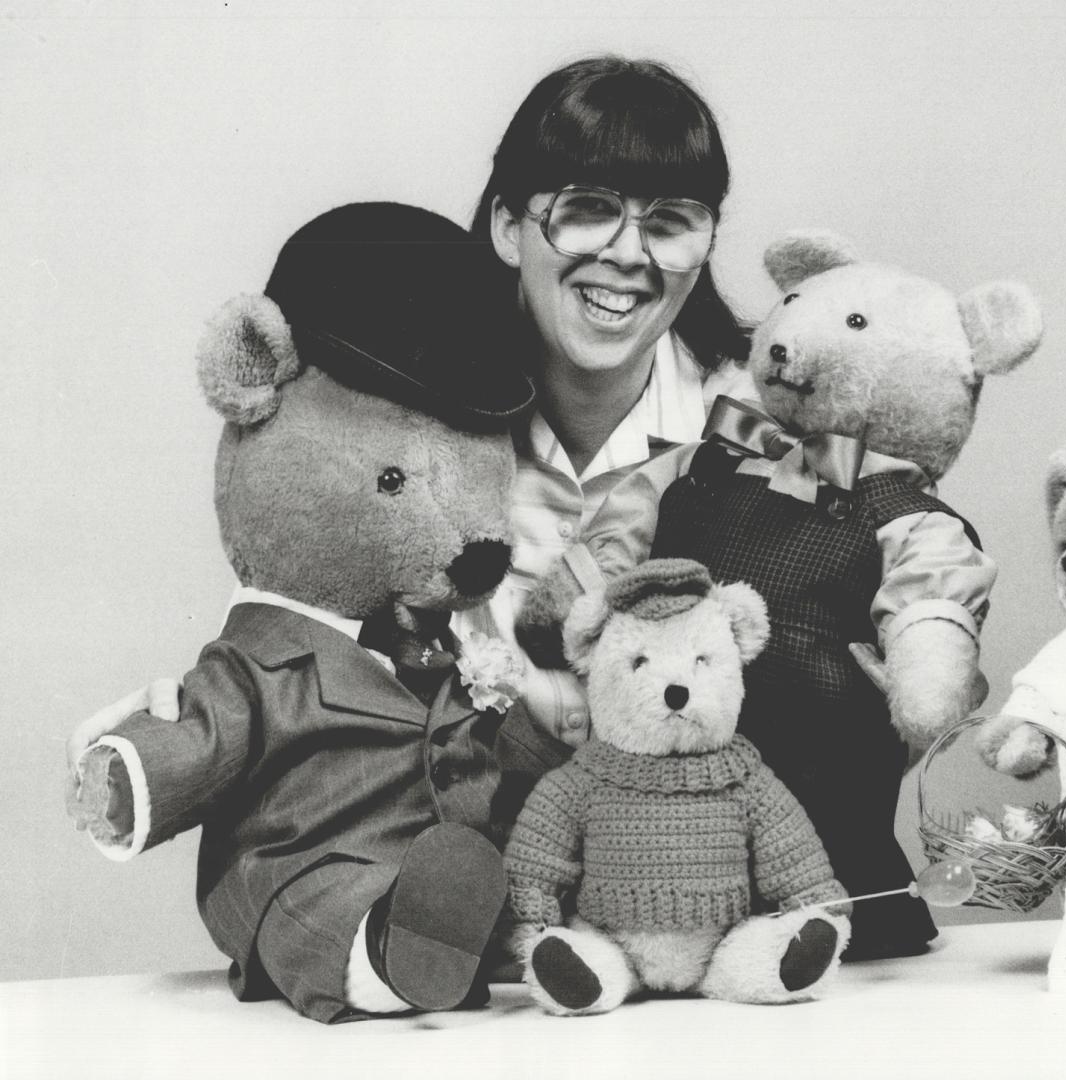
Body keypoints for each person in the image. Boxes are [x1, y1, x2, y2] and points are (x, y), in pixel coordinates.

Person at [65, 54, 756, 967]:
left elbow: (864, 547)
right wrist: (178, 712)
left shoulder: (754, 425)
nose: (628, 256)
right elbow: (315, 610)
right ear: (510, 223)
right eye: (588, 207)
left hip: (681, 904)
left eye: (671, 223)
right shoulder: (418, 405)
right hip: (450, 902)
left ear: (705, 244)